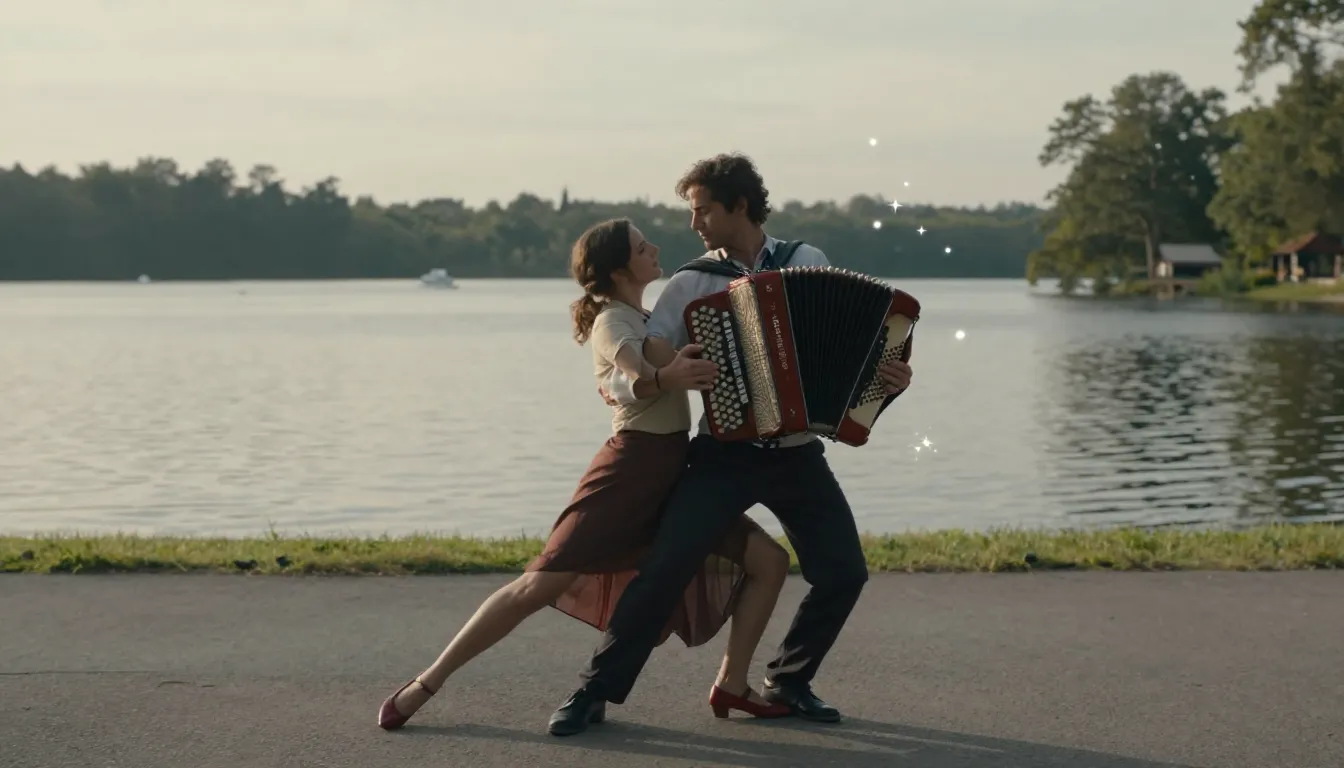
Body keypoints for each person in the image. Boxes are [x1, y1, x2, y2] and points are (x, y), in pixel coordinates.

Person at [376, 217, 795, 731]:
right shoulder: (611, 321)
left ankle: (732, 685)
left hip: (676, 473)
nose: (655, 248)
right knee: (537, 585)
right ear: (621, 269)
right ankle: (427, 683)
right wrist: (665, 376)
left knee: (770, 561)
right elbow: (627, 374)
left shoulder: (646, 316)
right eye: (643, 247)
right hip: (627, 473)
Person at [546, 153, 915, 737]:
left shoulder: (807, 262)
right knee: (666, 567)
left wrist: (885, 379)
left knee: (843, 571)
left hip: (796, 451)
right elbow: (646, 355)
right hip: (722, 452)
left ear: (737, 206)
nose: (694, 224)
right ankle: (594, 692)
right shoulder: (691, 282)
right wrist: (666, 371)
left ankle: (788, 681)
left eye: (702, 211)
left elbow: (854, 352)